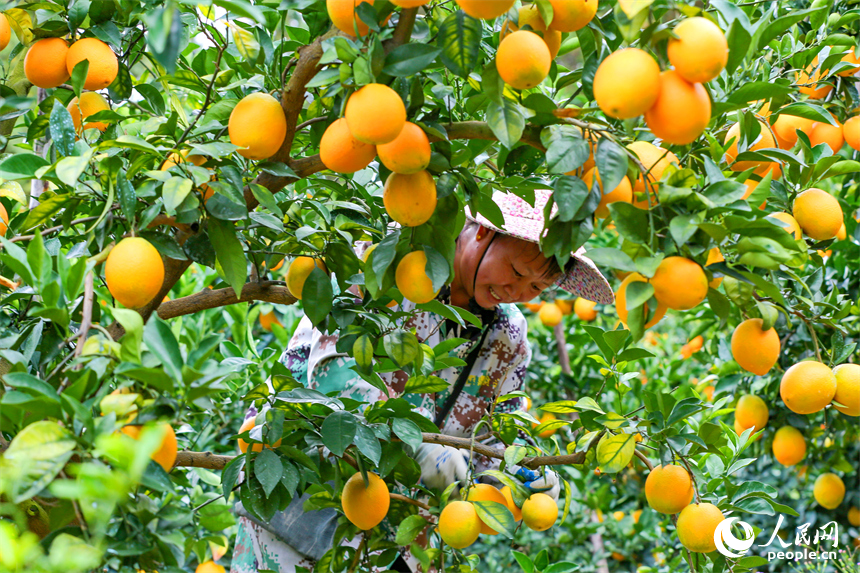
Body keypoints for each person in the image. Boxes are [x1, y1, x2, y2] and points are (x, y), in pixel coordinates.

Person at [230, 189, 614, 573]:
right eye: (515, 271)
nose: (515, 291)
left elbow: (497, 437)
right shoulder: (390, 261)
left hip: (391, 546)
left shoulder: (507, 336)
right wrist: (413, 440)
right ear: (483, 233)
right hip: (295, 509)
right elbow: (331, 375)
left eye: (535, 288)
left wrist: (525, 471)